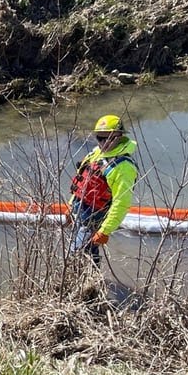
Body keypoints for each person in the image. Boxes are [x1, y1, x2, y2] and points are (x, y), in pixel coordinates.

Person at [67, 114, 138, 266]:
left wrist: (105, 230)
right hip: (80, 210)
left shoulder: (123, 166)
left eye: (110, 138)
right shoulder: (95, 154)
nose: (104, 142)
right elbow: (82, 181)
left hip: (96, 216)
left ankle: (89, 281)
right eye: (100, 138)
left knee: (75, 252)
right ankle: (91, 282)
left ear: (119, 136)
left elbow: (121, 202)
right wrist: (70, 205)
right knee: (86, 251)